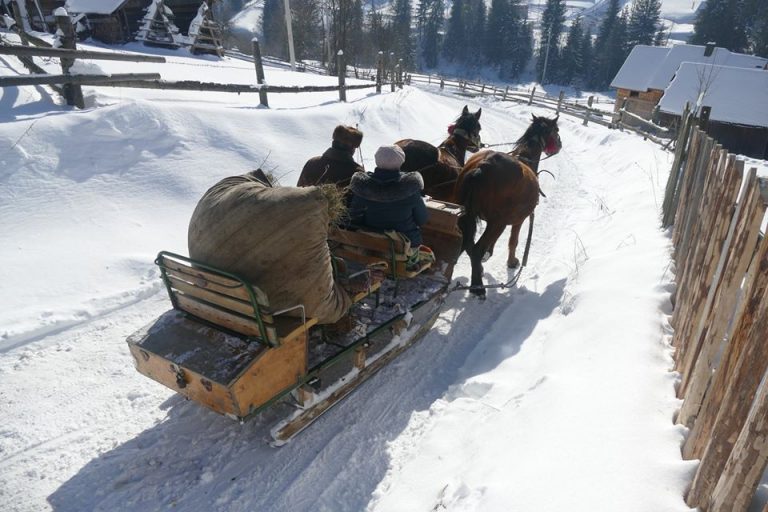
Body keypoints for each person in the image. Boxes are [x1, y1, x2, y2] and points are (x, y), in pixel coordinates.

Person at [349, 145, 428, 246]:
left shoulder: (363, 186)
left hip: (370, 241)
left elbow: (354, 217)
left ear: (377, 160)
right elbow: (422, 219)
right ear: (401, 161)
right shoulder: (410, 187)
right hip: (405, 243)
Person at [297, 125, 364, 189]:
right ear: (352, 148)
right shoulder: (357, 173)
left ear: (334, 142)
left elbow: (298, 192)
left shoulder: (312, 163)